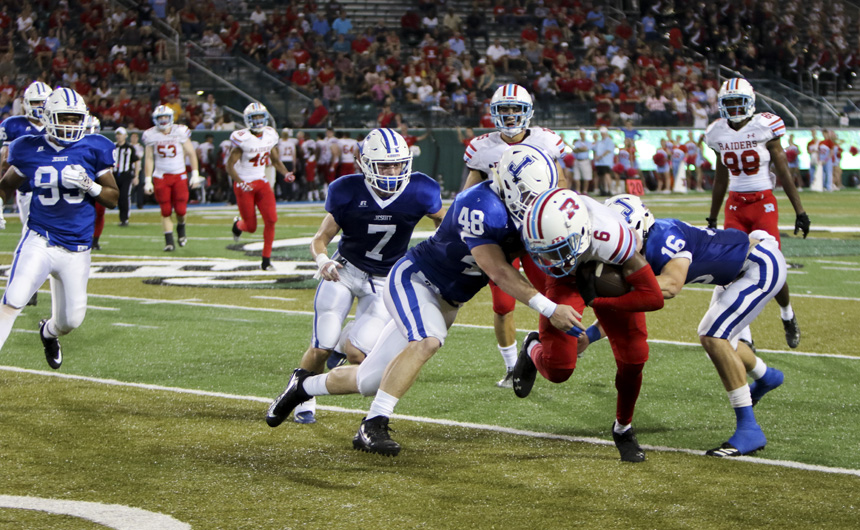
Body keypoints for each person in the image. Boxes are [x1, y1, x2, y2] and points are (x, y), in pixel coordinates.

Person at [268, 146, 580, 452]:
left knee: (369, 380)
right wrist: (549, 308)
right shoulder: (480, 204)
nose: (532, 202)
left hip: (449, 299)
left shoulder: (528, 206)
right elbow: (497, 270)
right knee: (428, 340)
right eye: (526, 194)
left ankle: (302, 386)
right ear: (508, 185)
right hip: (416, 280)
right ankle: (373, 424)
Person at [266, 128, 446, 425]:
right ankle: (300, 395)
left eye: (397, 164)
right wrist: (323, 260)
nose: (392, 172)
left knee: (358, 353)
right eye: (383, 166)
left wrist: (437, 253)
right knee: (321, 344)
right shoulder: (346, 189)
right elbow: (320, 238)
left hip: (385, 280)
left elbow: (444, 222)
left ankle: (338, 349)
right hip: (344, 271)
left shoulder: (421, 189)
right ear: (364, 164)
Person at [601, 194, 787, 457]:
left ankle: (750, 430)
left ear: (640, 226)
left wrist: (617, 287)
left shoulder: (664, 237)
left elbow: (671, 285)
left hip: (758, 265)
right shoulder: (647, 242)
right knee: (721, 340)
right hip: (736, 273)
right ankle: (766, 376)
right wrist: (591, 331)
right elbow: (627, 306)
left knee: (713, 336)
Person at [515, 188, 664, 462]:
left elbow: (653, 298)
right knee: (558, 370)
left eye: (558, 250)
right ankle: (532, 346)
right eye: (545, 252)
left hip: (604, 270)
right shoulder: (541, 226)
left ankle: (623, 428)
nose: (552, 259)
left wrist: (597, 301)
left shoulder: (614, 240)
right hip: (565, 279)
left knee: (634, 358)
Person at [0, 87, 119, 369]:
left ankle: (48, 332)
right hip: (40, 238)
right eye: (64, 117)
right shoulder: (28, 147)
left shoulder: (94, 147)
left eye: (74, 119)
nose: (69, 124)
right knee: (13, 300)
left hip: (77, 248)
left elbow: (113, 198)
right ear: (48, 116)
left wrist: (90, 185)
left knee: (70, 321)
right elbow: (5, 186)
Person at [462, 83, 566, 388]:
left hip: (535, 231)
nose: (509, 115)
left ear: (528, 111)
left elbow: (560, 184)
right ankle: (511, 367)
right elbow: (468, 194)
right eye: (504, 109)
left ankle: (545, 349)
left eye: (515, 108)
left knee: (550, 295)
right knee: (503, 305)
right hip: (499, 235)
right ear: (494, 112)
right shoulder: (482, 148)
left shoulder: (545, 141)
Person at [704, 78, 809, 349]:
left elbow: (783, 170)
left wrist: (799, 210)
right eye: (728, 103)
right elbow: (720, 179)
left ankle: (787, 315)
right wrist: (713, 217)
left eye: (738, 102)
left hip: (763, 203)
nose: (734, 108)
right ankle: (745, 336)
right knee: (733, 269)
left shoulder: (764, 126)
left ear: (750, 102)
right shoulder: (716, 132)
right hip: (735, 206)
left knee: (773, 264)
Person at [0, 80, 50, 306]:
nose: (39, 106)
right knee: (32, 238)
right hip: (28, 190)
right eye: (35, 102)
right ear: (26, 103)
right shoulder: (13, 125)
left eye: (43, 102)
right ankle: (25, 287)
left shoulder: (55, 124)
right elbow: (5, 161)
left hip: (55, 190)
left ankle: (29, 286)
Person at [227, 103, 294, 271]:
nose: (257, 120)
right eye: (254, 117)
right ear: (247, 120)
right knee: (251, 227)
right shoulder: (242, 138)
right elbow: (229, 165)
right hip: (245, 184)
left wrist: (285, 173)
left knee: (271, 219)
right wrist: (240, 181)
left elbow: (276, 161)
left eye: (260, 117)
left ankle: (266, 260)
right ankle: (238, 225)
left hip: (261, 181)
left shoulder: (270, 135)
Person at [142, 105, 204, 251]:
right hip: (161, 175)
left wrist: (195, 174)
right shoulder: (151, 134)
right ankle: (169, 241)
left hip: (179, 174)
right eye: (160, 117)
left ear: (171, 118)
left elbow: (191, 153)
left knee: (181, 210)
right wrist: (147, 180)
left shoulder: (180, 131)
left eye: (165, 117)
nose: (163, 120)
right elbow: (149, 158)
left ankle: (181, 227)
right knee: (165, 210)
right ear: (155, 119)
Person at [113, 127, 140, 227]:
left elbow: (136, 161)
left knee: (124, 196)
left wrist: (136, 176)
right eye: (117, 134)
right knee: (117, 197)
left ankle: (125, 219)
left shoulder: (130, 148)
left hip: (126, 175)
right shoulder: (113, 147)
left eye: (120, 134)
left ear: (125, 136)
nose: (118, 136)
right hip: (115, 174)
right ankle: (122, 218)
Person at [570, 128, 593, 194]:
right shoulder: (577, 142)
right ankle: (578, 190)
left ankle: (585, 191)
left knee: (586, 176)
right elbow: (575, 150)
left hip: (585, 160)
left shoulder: (588, 142)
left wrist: (579, 149)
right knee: (576, 176)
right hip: (577, 160)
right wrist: (581, 149)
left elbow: (585, 149)